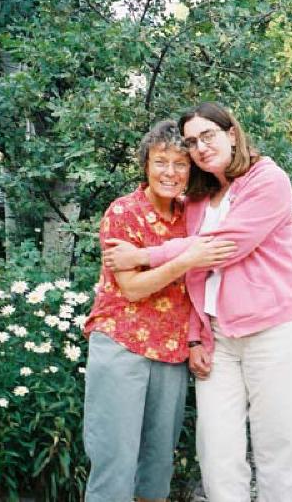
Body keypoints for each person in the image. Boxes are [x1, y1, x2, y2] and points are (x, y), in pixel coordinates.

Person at [103, 102, 292, 502]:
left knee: (280, 454)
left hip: (275, 333)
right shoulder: (200, 198)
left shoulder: (267, 180)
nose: (200, 148)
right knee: (216, 455)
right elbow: (195, 277)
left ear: (231, 134)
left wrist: (144, 255)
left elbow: (222, 248)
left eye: (208, 136)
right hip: (218, 340)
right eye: (192, 141)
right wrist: (196, 336)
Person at [82, 119, 236, 502]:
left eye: (180, 163)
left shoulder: (193, 214)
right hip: (121, 346)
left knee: (156, 469)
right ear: (146, 165)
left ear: (191, 170)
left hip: (170, 350)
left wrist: (198, 338)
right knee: (114, 463)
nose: (170, 172)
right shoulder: (123, 213)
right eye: (160, 162)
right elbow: (132, 288)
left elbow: (202, 286)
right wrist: (187, 258)